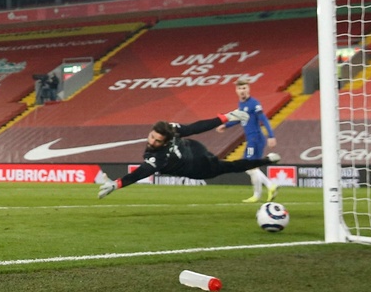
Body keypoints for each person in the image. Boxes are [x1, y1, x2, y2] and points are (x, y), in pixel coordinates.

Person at [97, 109, 279, 198]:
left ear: (166, 139)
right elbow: (141, 172)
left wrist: (227, 117)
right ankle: (266, 160)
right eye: (152, 137)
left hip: (195, 149)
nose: (152, 142)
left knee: (197, 140)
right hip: (200, 168)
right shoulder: (156, 157)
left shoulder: (172, 129)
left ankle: (263, 162)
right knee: (230, 166)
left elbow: (196, 127)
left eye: (157, 140)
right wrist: (117, 184)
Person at [216, 76, 279, 202]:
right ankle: (257, 195)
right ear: (236, 91)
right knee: (252, 168)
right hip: (252, 139)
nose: (242, 90)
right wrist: (226, 126)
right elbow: (240, 118)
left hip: (255, 139)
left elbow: (264, 119)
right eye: (240, 88)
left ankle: (270, 185)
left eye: (244, 88)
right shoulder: (242, 104)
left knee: (248, 166)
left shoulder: (254, 103)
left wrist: (271, 136)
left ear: (248, 89)